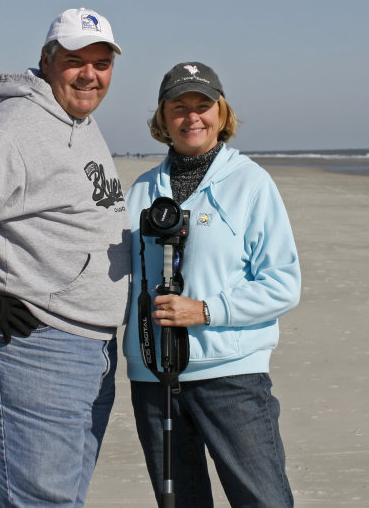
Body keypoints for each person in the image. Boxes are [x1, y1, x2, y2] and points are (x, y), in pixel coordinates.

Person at [0, 8, 131, 508]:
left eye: (101, 63)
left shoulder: (79, 122)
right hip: (32, 343)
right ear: (46, 59)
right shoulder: (17, 124)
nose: (89, 74)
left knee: (53, 498)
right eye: (75, 60)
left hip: (88, 344)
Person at [123, 62, 301, 508]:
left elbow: (283, 284)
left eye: (203, 106)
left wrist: (204, 310)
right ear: (162, 118)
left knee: (264, 501)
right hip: (152, 377)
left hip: (232, 375)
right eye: (179, 107)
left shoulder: (252, 185)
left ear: (222, 113)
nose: (192, 117)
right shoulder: (141, 191)